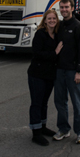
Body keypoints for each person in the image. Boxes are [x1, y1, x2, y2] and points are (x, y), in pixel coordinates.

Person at [53, 0, 80, 144]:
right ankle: (63, 129)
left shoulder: (79, 27)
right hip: (59, 71)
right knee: (60, 102)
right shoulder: (58, 26)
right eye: (62, 7)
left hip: (73, 72)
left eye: (67, 7)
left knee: (77, 102)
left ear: (72, 8)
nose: (64, 10)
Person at [27, 9, 63, 146]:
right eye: (49, 19)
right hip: (37, 74)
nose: (52, 21)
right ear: (45, 20)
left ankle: (42, 127)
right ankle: (35, 133)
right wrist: (55, 53)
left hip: (49, 75)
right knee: (36, 102)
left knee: (44, 102)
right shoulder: (40, 34)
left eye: (54, 18)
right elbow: (37, 54)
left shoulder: (57, 35)